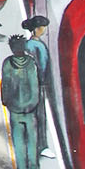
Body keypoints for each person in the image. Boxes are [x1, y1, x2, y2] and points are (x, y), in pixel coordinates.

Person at [2, 32, 44, 169]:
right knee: (32, 142)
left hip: (14, 110)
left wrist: (7, 102)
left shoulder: (7, 64)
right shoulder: (31, 64)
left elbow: (5, 86)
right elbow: (35, 87)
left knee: (19, 146)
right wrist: (32, 105)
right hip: (30, 110)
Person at [20, 13, 56, 159]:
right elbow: (39, 66)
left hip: (34, 84)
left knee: (36, 115)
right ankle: (40, 146)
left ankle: (36, 143)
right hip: (36, 84)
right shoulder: (34, 46)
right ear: (36, 29)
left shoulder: (31, 44)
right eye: (42, 28)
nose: (44, 31)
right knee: (39, 115)